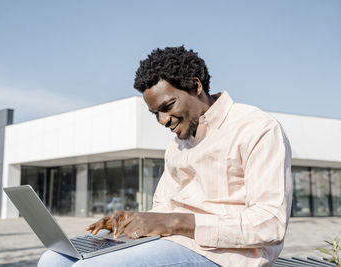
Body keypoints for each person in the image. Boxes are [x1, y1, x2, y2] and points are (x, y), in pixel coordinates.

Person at [38, 46, 293, 267]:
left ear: (195, 86)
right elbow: (163, 209)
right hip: (173, 243)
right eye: (154, 114)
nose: (162, 121)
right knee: (53, 259)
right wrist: (133, 220)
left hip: (227, 256)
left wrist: (175, 222)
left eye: (167, 107)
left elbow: (270, 224)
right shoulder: (176, 147)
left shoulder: (257, 128)